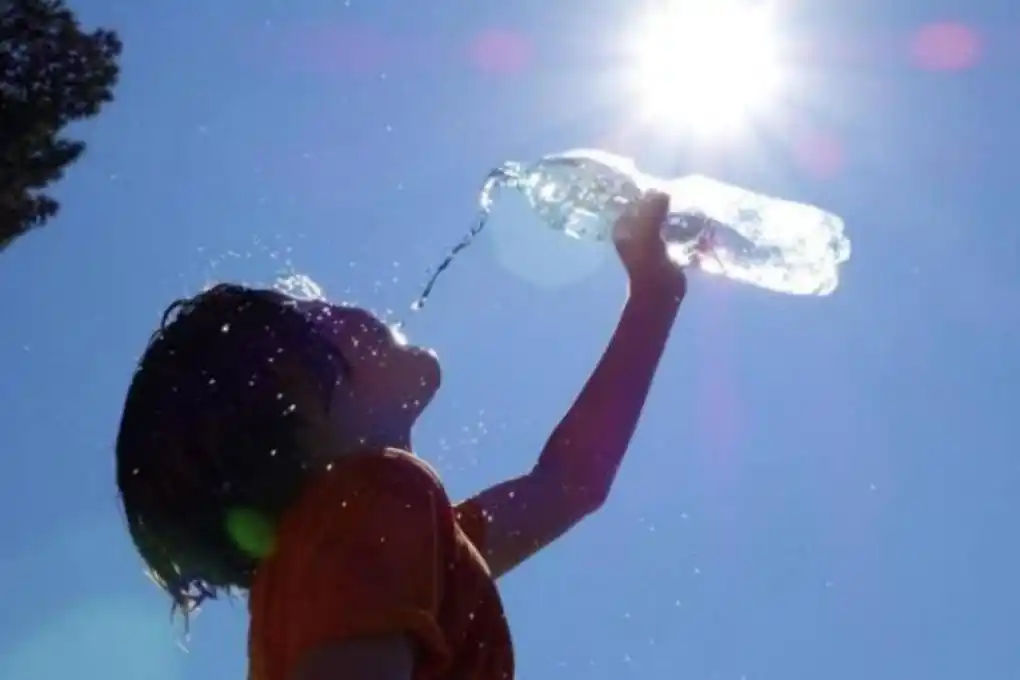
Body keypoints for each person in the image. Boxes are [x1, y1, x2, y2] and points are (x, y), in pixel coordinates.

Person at [115, 192, 687, 680]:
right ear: (291, 406)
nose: (340, 306)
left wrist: (654, 297)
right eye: (312, 315)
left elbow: (569, 483)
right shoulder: (370, 502)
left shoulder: (382, 550)